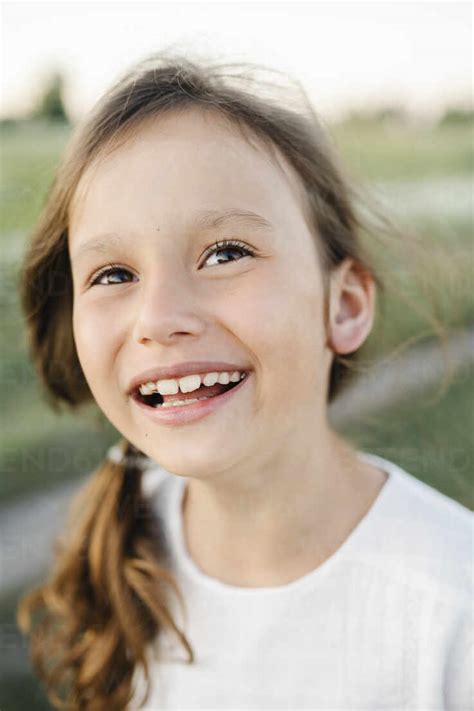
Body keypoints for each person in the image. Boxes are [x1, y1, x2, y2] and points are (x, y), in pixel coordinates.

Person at [16, 53, 471, 711]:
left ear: (342, 305)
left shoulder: (454, 612)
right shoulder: (120, 556)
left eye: (226, 253)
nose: (161, 319)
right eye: (113, 273)